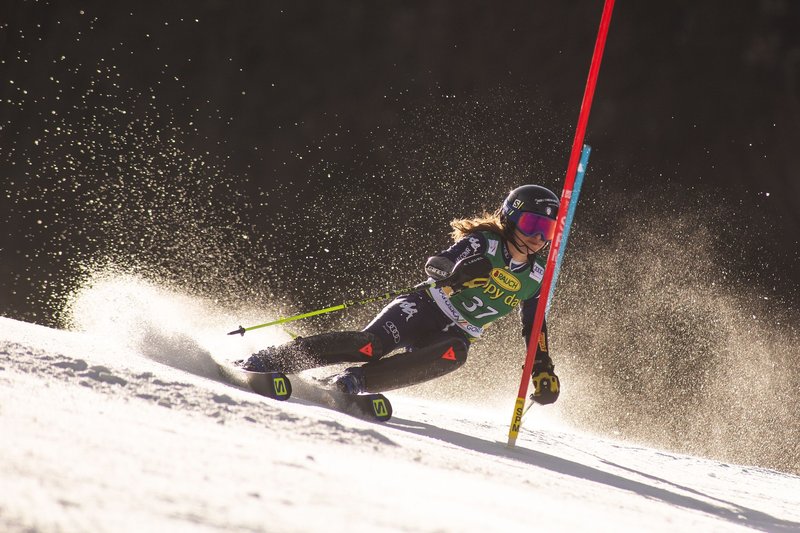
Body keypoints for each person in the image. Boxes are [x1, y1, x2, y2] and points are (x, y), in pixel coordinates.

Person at [240, 184, 561, 406]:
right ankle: (270, 359)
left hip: (457, 331)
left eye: (545, 230)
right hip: (425, 307)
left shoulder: (535, 278)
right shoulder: (483, 244)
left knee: (454, 354)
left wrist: (541, 367)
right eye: (531, 224)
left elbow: (534, 328)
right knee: (369, 346)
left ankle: (353, 383)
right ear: (509, 217)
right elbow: (437, 264)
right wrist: (456, 274)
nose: (536, 237)